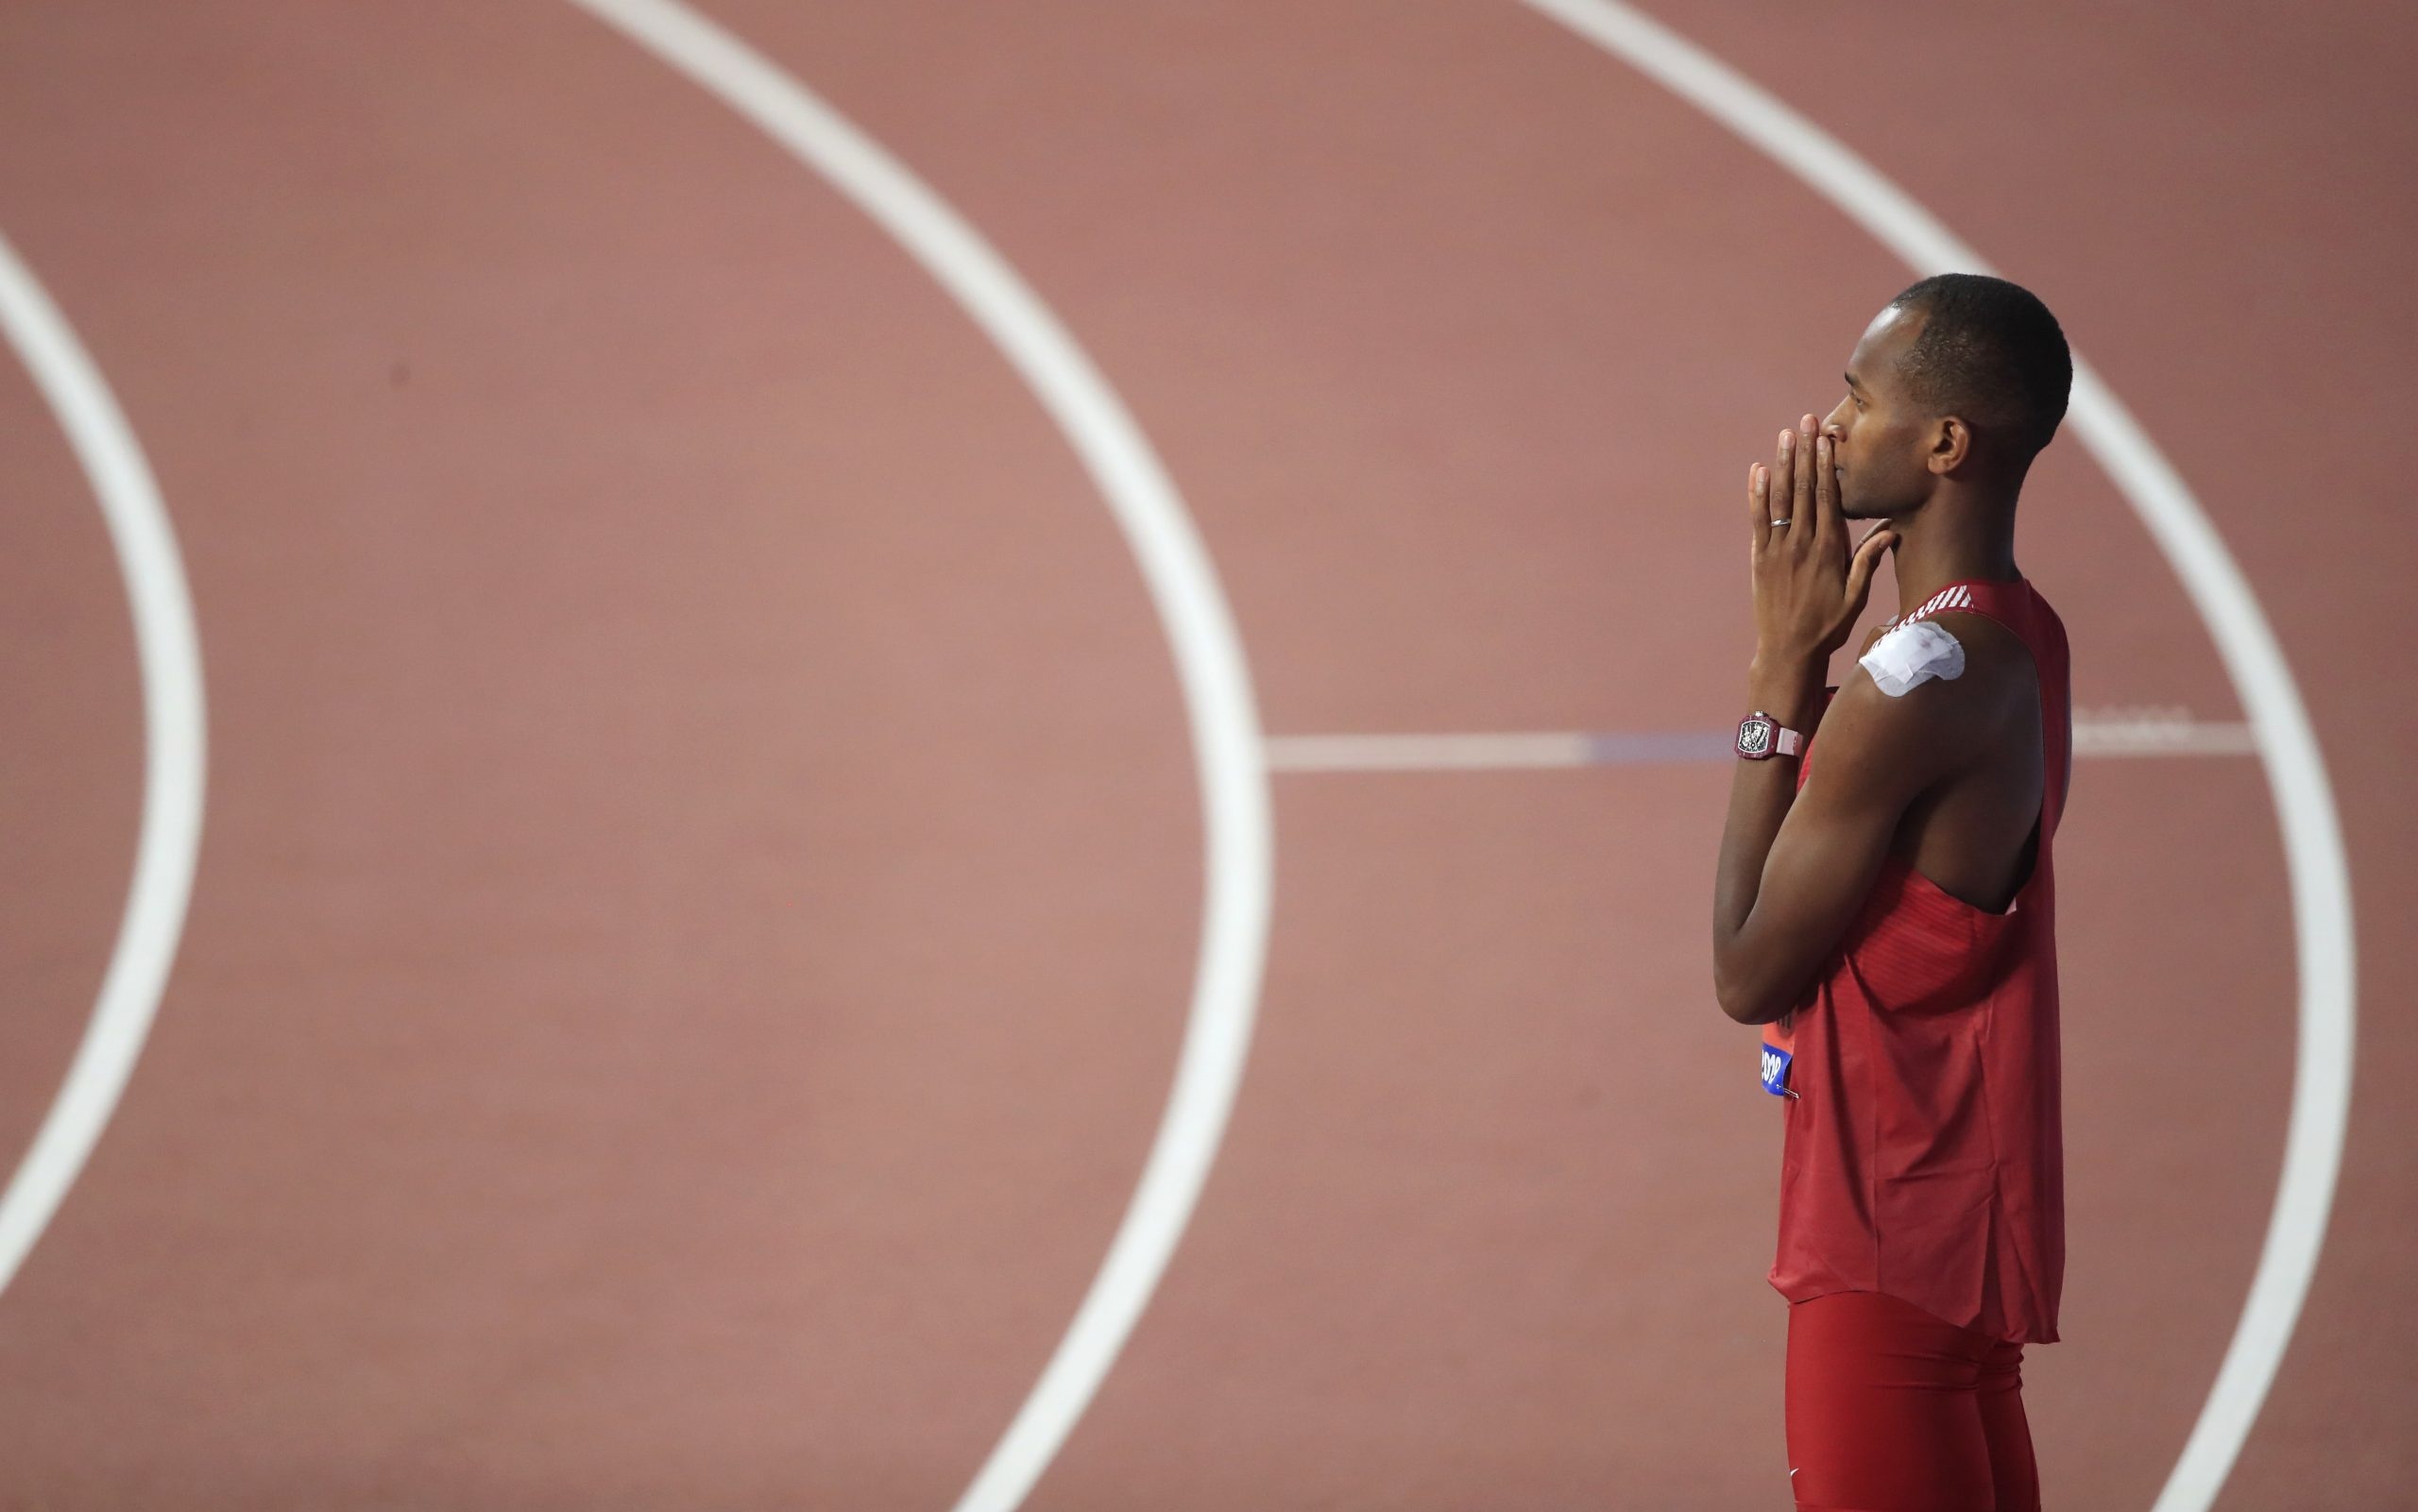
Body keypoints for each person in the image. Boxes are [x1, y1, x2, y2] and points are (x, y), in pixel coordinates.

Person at [1711, 272, 2075, 1511]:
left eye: (1856, 399)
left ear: (1945, 444)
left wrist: (1778, 673)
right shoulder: (2019, 630)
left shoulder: (1914, 686)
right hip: (1959, 1233)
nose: (1828, 427)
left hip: (1884, 1254)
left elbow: (1746, 966)